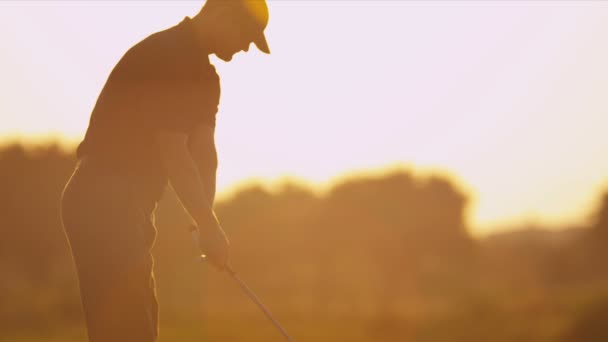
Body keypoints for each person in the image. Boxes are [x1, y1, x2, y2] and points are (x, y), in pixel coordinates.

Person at [60, 1, 270, 341]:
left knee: (141, 326)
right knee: (126, 330)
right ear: (219, 13)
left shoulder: (205, 77)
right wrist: (207, 224)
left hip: (132, 207)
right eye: (245, 35)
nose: (246, 47)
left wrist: (202, 222)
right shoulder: (169, 55)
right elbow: (173, 152)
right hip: (101, 199)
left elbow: (204, 154)